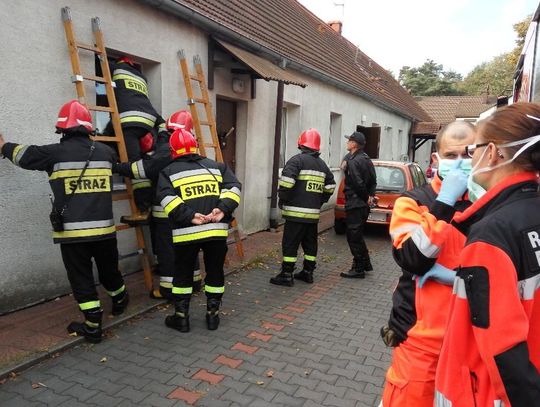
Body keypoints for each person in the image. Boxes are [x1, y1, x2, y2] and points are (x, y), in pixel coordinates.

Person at [435, 103, 540, 406]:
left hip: (484, 394)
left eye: (471, 150)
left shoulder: (492, 232)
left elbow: (503, 347)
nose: (468, 160)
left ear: (492, 152)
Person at [0, 100, 128, 343]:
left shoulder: (53, 153)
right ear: (89, 128)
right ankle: (120, 300)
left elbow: (24, 156)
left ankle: (92, 325)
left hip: (73, 235)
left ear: (62, 129)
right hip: (105, 231)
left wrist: (4, 146)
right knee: (109, 270)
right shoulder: (105, 152)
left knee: (81, 278)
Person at [380, 121, 475, 406]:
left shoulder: (488, 203)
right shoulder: (414, 202)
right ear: (436, 159)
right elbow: (413, 259)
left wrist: (456, 277)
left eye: (468, 154)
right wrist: (444, 202)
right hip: (421, 341)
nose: (459, 163)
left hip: (473, 339)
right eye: (451, 155)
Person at [157, 129, 241, 332]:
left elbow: (167, 200)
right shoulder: (217, 167)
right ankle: (212, 316)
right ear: (196, 145)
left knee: (183, 275)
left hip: (186, 233)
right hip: (215, 232)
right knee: (215, 272)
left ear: (173, 150)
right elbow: (235, 188)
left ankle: (181, 318)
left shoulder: (167, 172)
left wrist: (190, 216)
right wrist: (222, 209)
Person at [113, 110, 203, 299]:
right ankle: (194, 281)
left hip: (167, 214)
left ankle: (168, 290)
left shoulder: (169, 147)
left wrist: (118, 167)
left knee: (168, 251)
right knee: (189, 248)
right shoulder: (193, 149)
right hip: (189, 211)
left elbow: (145, 168)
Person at [269, 129, 336, 286]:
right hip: (312, 215)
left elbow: (286, 183)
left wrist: (283, 199)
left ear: (301, 143)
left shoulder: (296, 161)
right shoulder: (322, 165)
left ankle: (286, 274)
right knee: (310, 244)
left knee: (290, 243)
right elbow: (331, 186)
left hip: (295, 214)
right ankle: (308, 272)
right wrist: (320, 201)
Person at [108, 55, 162, 213]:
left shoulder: (115, 69)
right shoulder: (142, 76)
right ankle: (148, 203)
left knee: (134, 166)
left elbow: (102, 65)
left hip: (128, 122)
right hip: (148, 121)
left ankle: (143, 206)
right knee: (142, 163)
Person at [340, 131, 377, 278]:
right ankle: (365, 264)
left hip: (356, 202)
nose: (347, 142)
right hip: (362, 204)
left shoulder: (355, 161)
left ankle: (359, 269)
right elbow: (373, 180)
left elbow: (357, 183)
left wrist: (366, 197)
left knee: (353, 236)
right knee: (358, 235)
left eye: (349, 140)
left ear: (354, 144)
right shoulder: (366, 159)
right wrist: (371, 196)